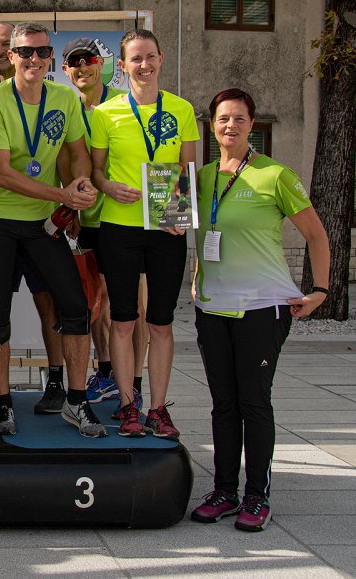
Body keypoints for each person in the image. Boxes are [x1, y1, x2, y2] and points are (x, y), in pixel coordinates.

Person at [190, 88, 329, 532]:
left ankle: (257, 496)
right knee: (223, 405)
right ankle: (225, 491)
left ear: (252, 125)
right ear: (212, 127)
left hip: (262, 308)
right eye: (222, 119)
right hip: (213, 309)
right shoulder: (198, 178)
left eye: (239, 119)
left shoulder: (275, 175)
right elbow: (190, 233)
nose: (230, 126)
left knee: (254, 403)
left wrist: (320, 289)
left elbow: (317, 236)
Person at [0, 22, 106, 438]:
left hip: (43, 222)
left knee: (75, 308)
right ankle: (2, 403)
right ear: (10, 57)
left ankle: (77, 400)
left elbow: (79, 154)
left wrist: (81, 182)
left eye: (42, 52)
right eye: (25, 53)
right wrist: (61, 194)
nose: (34, 60)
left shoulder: (64, 97)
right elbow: (1, 173)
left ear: (52, 57)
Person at [90, 28, 200, 439]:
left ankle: (158, 408)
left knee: (161, 322)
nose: (144, 65)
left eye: (150, 56)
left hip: (166, 228)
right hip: (119, 226)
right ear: (122, 66)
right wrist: (107, 187)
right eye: (135, 59)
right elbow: (97, 172)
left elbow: (186, 172)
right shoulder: (107, 114)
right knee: (122, 319)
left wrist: (178, 209)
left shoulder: (182, 109)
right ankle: (126, 404)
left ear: (161, 58)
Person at [0, 24, 70, 415]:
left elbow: (71, 153)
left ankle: (56, 381)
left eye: (8, 44)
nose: (3, 50)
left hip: (42, 219)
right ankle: (2, 400)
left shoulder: (53, 95)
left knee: (50, 302)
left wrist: (72, 199)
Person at [58, 38, 140, 406]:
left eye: (88, 60)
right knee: (94, 301)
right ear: (66, 70)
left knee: (127, 305)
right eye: (74, 63)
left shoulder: (124, 105)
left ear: (103, 63)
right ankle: (107, 372)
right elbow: (66, 160)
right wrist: (71, 207)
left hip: (124, 218)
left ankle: (133, 384)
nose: (82, 68)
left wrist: (173, 210)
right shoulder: (67, 106)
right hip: (87, 216)